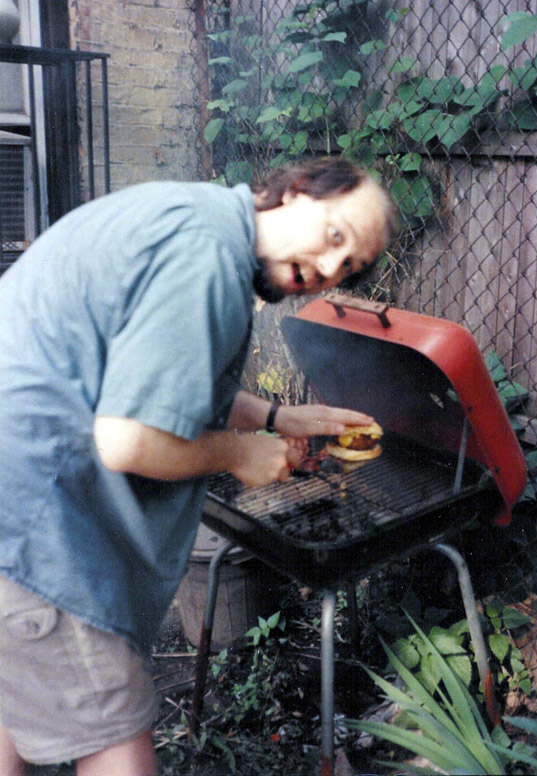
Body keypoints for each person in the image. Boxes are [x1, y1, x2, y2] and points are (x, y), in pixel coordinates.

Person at [0, 156, 394, 775]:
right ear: (295, 192)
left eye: (345, 268)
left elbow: (155, 381)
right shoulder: (207, 258)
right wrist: (237, 453)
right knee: (116, 737)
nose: (324, 270)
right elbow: (127, 441)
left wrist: (273, 419)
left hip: (16, 500)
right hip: (33, 523)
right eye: (335, 238)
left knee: (12, 709)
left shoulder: (197, 220)